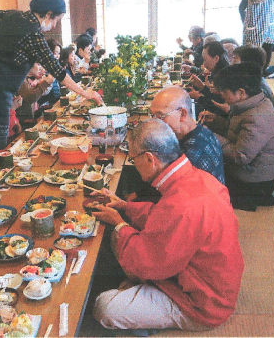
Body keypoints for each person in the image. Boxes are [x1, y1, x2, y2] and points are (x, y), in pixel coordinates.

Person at [91, 119, 244, 332]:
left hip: (201, 304)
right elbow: (162, 218)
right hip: (211, 280)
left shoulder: (181, 204)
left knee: (104, 306)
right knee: (124, 238)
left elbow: (149, 261)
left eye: (133, 159)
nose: (134, 164)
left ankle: (150, 305)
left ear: (149, 159)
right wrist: (126, 206)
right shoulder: (198, 178)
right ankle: (141, 295)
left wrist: (118, 224)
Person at [0, 0, 102, 150]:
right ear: (48, 14)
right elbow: (59, 72)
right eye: (56, 19)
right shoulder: (33, 35)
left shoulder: (15, 16)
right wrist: (86, 93)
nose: (55, 24)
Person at [206, 63, 274, 211]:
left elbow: (240, 156)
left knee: (204, 185)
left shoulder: (257, 117)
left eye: (224, 91)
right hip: (252, 173)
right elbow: (239, 133)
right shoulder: (253, 104)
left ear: (241, 92)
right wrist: (216, 121)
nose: (222, 95)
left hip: (254, 183)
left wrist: (211, 137)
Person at [187, 41, 229, 117]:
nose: (203, 64)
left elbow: (218, 107)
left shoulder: (225, 76)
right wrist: (202, 87)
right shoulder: (217, 72)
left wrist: (198, 97)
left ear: (216, 58)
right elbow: (214, 96)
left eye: (205, 60)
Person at [233, 45, 274, 110]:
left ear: (247, 63)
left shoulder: (258, 89)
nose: (232, 62)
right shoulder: (250, 79)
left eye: (235, 58)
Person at [38, 38, 62, 107]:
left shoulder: (54, 68)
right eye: (55, 53)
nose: (57, 56)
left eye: (59, 53)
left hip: (56, 103)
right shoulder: (43, 71)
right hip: (46, 107)